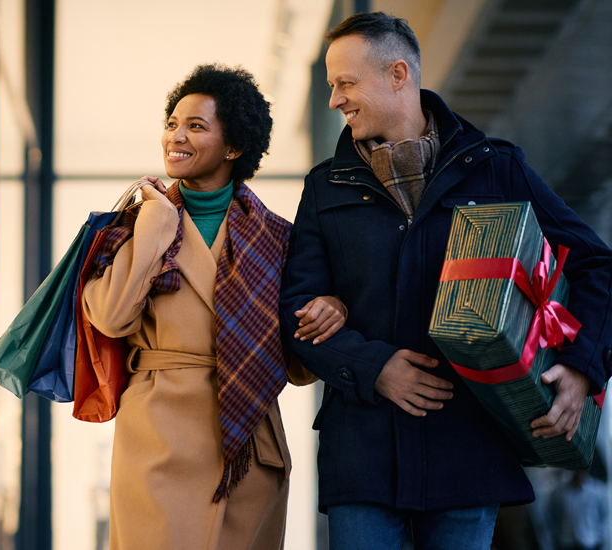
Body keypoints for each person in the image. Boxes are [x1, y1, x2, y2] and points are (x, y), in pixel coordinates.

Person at [279, 12, 612, 550]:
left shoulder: (496, 167)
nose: (336, 99)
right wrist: (376, 368)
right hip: (364, 453)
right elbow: (296, 310)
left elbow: (596, 264)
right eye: (331, 88)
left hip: (469, 448)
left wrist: (582, 370)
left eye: (346, 83)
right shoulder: (324, 187)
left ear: (397, 75)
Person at [82, 63, 345, 550]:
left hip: (248, 444)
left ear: (234, 146)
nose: (175, 137)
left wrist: (331, 311)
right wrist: (153, 231)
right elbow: (111, 316)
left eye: (195, 126)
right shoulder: (134, 223)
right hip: (160, 441)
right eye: (172, 124)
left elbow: (298, 366)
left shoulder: (277, 238)